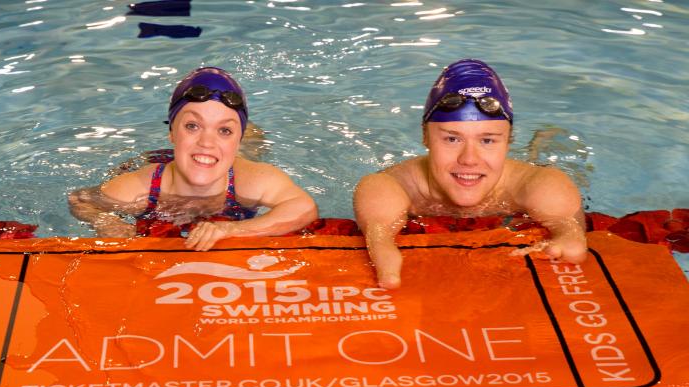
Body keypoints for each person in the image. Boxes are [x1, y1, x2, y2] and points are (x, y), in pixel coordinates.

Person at [354, 59, 587, 288]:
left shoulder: (540, 184)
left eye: (487, 140)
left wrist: (569, 238)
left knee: (540, 159)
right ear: (425, 137)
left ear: (508, 141)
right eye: (452, 139)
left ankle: (541, 143)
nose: (469, 159)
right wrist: (387, 264)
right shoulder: (390, 185)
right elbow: (380, 236)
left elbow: (570, 234)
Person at [69, 67, 318, 250]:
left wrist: (231, 229)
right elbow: (80, 200)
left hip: (223, 162)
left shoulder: (252, 179)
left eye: (225, 130)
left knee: (241, 151)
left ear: (236, 139)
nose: (206, 141)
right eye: (192, 126)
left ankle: (245, 133)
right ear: (171, 132)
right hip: (164, 165)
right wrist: (105, 221)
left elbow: (304, 209)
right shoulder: (137, 189)